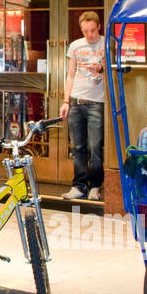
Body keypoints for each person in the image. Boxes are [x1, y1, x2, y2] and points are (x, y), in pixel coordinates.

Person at [61, 11, 107, 201]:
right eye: (86, 31)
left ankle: (95, 186)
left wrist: (101, 68)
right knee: (78, 147)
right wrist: (66, 101)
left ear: (99, 27)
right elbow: (70, 75)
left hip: (97, 102)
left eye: (93, 31)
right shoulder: (75, 46)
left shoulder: (105, 43)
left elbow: (112, 71)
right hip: (76, 102)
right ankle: (79, 186)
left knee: (95, 146)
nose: (90, 35)